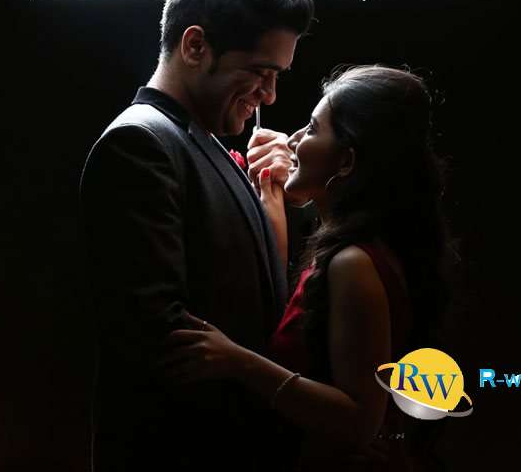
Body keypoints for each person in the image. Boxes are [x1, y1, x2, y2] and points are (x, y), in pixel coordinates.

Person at [159, 65, 457, 471]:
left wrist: (236, 360)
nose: (293, 139)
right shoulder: (358, 248)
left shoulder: (353, 264)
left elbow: (359, 419)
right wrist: (273, 197)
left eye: (313, 129)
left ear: (346, 161)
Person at [81, 0, 314, 472]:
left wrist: (274, 199)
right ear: (195, 46)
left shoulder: (203, 145)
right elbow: (163, 339)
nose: (270, 95)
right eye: (260, 71)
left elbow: (258, 301)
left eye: (278, 76)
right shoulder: (140, 144)